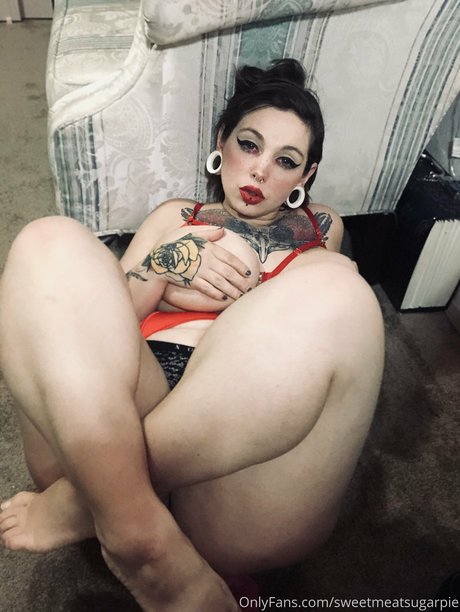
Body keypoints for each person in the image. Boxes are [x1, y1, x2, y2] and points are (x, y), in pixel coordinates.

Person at [0, 59, 384, 610]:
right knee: (48, 243)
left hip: (241, 451)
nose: (260, 172)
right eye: (249, 145)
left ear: (305, 177)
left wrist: (259, 284)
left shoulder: (319, 228)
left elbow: (308, 334)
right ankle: (138, 530)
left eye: (286, 161)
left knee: (342, 292)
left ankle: (90, 501)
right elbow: (99, 316)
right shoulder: (175, 216)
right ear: (221, 142)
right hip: (127, 404)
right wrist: (166, 263)